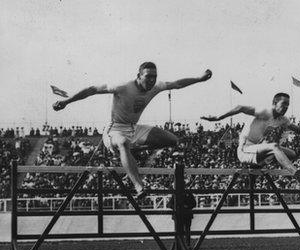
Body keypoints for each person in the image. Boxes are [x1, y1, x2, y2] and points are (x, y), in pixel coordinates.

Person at [53, 62, 212, 198]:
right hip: (114, 129)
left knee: (172, 140)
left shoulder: (156, 87)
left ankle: (133, 149)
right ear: (139, 75)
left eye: (154, 77)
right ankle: (138, 186)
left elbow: (177, 84)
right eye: (148, 76)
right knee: (122, 142)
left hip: (133, 128)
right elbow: (91, 89)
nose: (151, 80)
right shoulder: (122, 87)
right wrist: (66, 101)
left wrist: (199, 79)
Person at [201, 93, 300, 183]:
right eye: (283, 104)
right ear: (274, 104)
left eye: (288, 105)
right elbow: (240, 107)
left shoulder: (282, 119)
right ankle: (297, 174)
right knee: (274, 146)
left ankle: (260, 163)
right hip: (244, 149)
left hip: (256, 149)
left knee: (292, 154)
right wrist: (218, 118)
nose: (286, 107)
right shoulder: (265, 112)